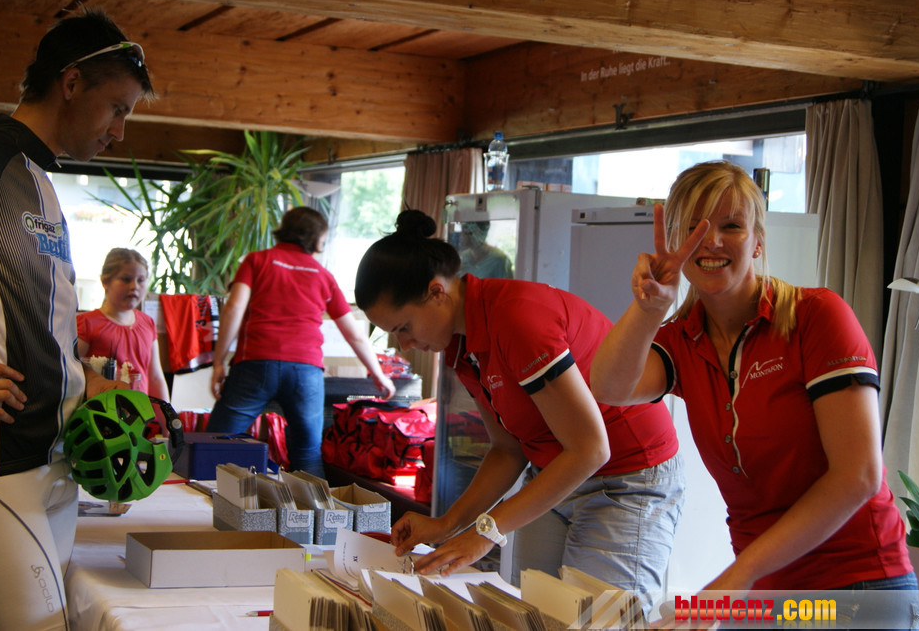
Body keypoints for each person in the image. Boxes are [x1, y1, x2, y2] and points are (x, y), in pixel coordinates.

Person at [590, 161, 918, 625]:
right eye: (695, 228)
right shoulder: (682, 339)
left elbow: (859, 475)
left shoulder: (815, 316)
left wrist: (734, 580)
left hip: (857, 585)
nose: (712, 241)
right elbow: (608, 387)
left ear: (758, 241)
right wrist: (649, 307)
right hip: (765, 589)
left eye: (732, 226)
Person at [354, 209, 684, 596]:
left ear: (437, 292)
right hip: (555, 473)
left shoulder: (516, 317)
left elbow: (590, 450)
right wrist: (447, 524)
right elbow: (507, 450)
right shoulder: (460, 345)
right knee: (531, 609)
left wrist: (484, 532)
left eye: (404, 328)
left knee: (598, 617)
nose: (405, 345)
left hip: (626, 478)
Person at [0, 9, 153, 629]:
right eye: (116, 108)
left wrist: (82, 378)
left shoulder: (40, 183)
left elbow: (41, 323)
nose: (119, 131)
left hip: (55, 464)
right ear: (71, 83)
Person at [207, 206, 396, 477]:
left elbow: (234, 308)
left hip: (255, 364)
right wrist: (378, 374)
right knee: (307, 455)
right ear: (318, 240)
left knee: (216, 445)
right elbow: (353, 333)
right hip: (306, 372)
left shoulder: (257, 261)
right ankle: (315, 506)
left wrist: (218, 362)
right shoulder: (323, 276)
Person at [77, 248, 171, 401]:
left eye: (141, 280)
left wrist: (167, 414)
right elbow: (72, 372)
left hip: (138, 411)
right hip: (101, 410)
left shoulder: (148, 323)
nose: (134, 286)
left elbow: (155, 377)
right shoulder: (87, 323)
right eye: (126, 279)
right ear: (105, 281)